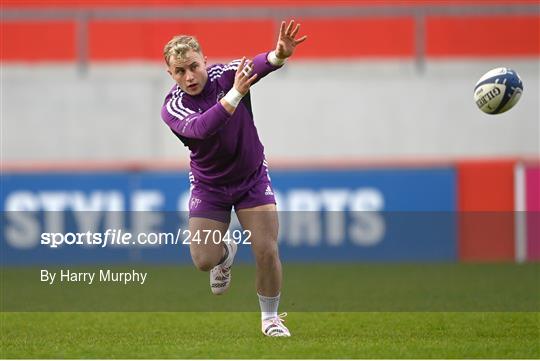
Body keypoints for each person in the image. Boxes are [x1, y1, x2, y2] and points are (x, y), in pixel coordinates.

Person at [161, 20, 307, 337]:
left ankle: (270, 319)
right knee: (203, 260)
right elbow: (202, 129)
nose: (189, 76)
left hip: (251, 177)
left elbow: (256, 65)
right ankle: (224, 253)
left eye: (193, 66)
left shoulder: (225, 76)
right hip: (210, 186)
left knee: (266, 248)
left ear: (204, 60)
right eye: (180, 72)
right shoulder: (173, 108)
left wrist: (277, 56)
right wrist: (237, 94)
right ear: (170, 75)